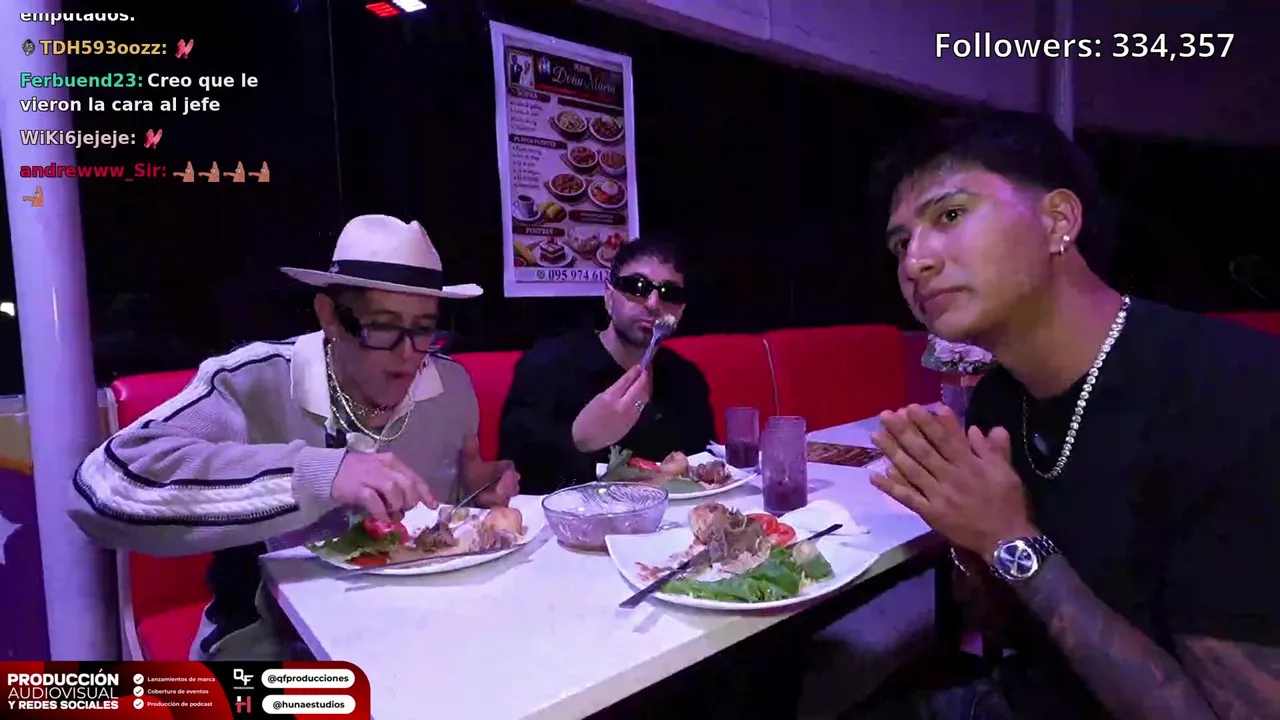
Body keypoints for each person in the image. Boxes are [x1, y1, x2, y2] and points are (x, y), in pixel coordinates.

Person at [860, 110, 1280, 719]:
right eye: (900, 243)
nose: (914, 263)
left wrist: (1009, 539)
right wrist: (972, 546)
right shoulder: (998, 401)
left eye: (949, 215)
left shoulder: (1233, 392)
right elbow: (1014, 634)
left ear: (1058, 220)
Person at [70, 214, 520, 661]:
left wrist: (475, 488)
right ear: (330, 316)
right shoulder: (251, 382)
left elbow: (444, 507)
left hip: (412, 628)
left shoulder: (451, 385)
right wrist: (318, 475)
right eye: (383, 326)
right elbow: (101, 490)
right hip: (271, 642)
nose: (408, 354)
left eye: (423, 329)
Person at [499, 236, 716, 493]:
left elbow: (702, 468)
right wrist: (578, 440)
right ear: (609, 297)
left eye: (670, 293)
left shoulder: (686, 379)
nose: (653, 303)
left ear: (680, 310)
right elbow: (514, 473)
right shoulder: (547, 367)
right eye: (637, 287)